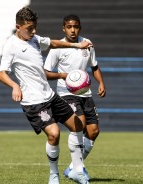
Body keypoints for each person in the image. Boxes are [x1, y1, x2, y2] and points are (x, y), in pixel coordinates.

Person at [0, 7, 91, 184]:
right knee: (54, 134)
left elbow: (53, 43)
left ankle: (77, 171)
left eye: (35, 27)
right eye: (29, 29)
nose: (33, 32)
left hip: (50, 95)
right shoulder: (11, 45)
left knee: (78, 124)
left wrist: (76, 45)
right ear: (18, 27)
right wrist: (14, 85)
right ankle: (53, 174)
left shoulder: (34, 39)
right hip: (34, 102)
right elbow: (1, 73)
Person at [44, 14, 106, 181]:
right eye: (69, 27)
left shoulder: (87, 44)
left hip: (85, 93)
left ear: (80, 28)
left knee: (93, 131)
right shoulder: (58, 48)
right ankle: (79, 170)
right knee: (80, 123)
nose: (73, 30)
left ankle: (72, 167)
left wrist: (101, 82)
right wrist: (63, 76)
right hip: (66, 93)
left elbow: (95, 66)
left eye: (76, 26)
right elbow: (45, 72)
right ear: (64, 28)